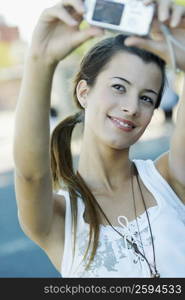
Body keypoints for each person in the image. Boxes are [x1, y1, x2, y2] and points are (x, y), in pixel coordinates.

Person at [13, 0, 185, 278]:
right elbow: (31, 175)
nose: (131, 107)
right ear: (84, 92)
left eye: (146, 98)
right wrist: (40, 59)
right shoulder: (59, 217)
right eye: (119, 87)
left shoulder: (169, 180)